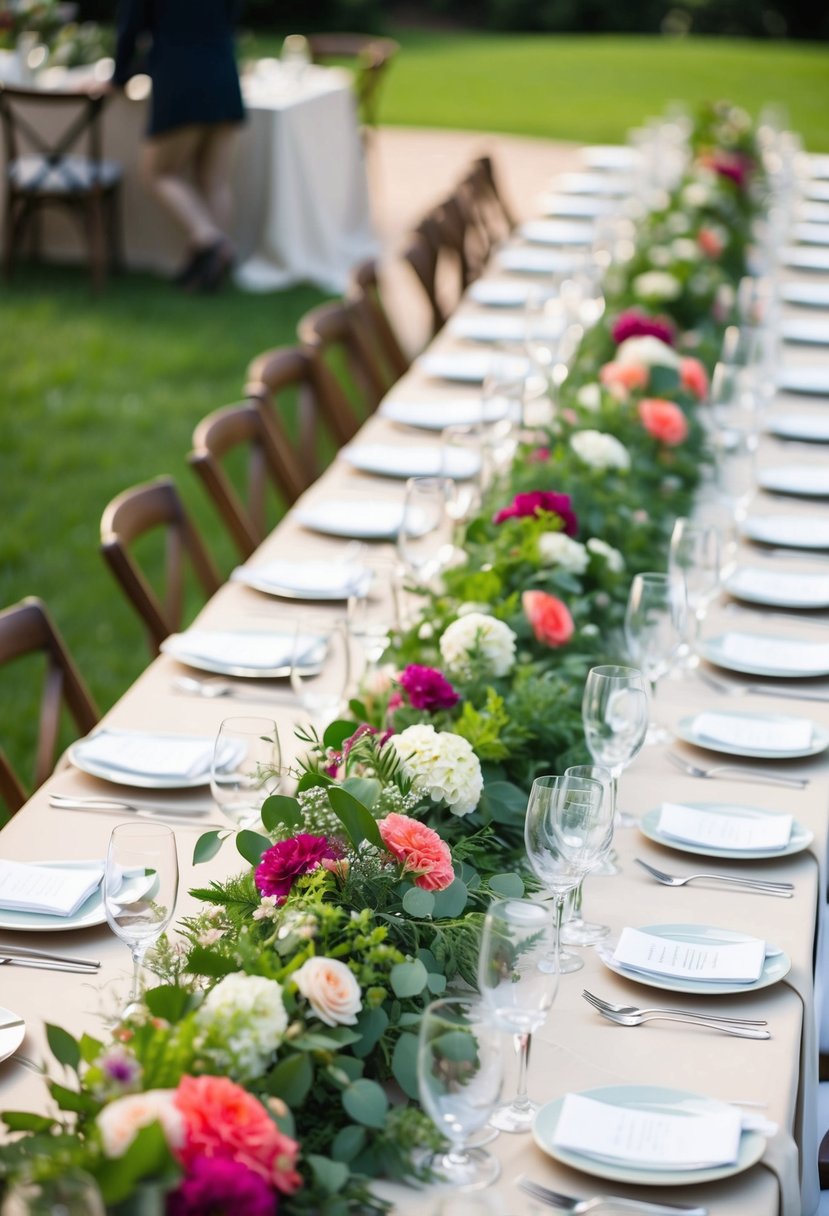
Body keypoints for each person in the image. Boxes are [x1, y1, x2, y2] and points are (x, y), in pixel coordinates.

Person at [113, 0, 245, 291]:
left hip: (180, 78)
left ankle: (211, 241)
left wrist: (120, 76)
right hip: (224, 71)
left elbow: (129, 29)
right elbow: (232, 15)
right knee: (215, 180)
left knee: (158, 173)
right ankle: (211, 271)